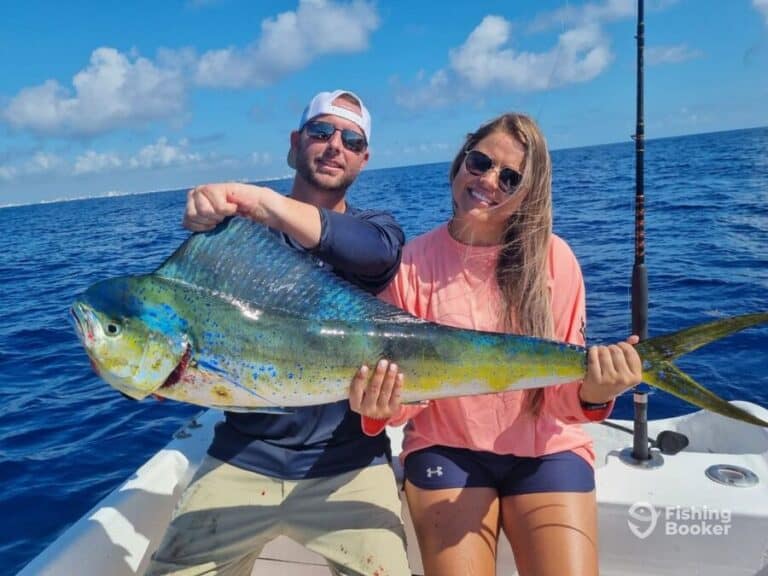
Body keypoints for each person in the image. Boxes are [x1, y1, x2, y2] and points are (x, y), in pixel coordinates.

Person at [349, 112, 643, 576]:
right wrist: (380, 407)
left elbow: (565, 403)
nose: (488, 180)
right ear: (461, 160)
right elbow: (403, 402)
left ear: (528, 193)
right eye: (480, 162)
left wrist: (596, 393)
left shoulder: (555, 260)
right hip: (447, 448)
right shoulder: (408, 264)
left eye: (509, 177)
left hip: (548, 447)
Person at [147, 90, 411, 576]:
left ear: (364, 158)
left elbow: (374, 255)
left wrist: (261, 202)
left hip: (350, 468)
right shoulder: (234, 239)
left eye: (351, 139)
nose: (335, 145)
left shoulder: (377, 230)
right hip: (243, 458)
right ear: (295, 143)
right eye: (321, 132)